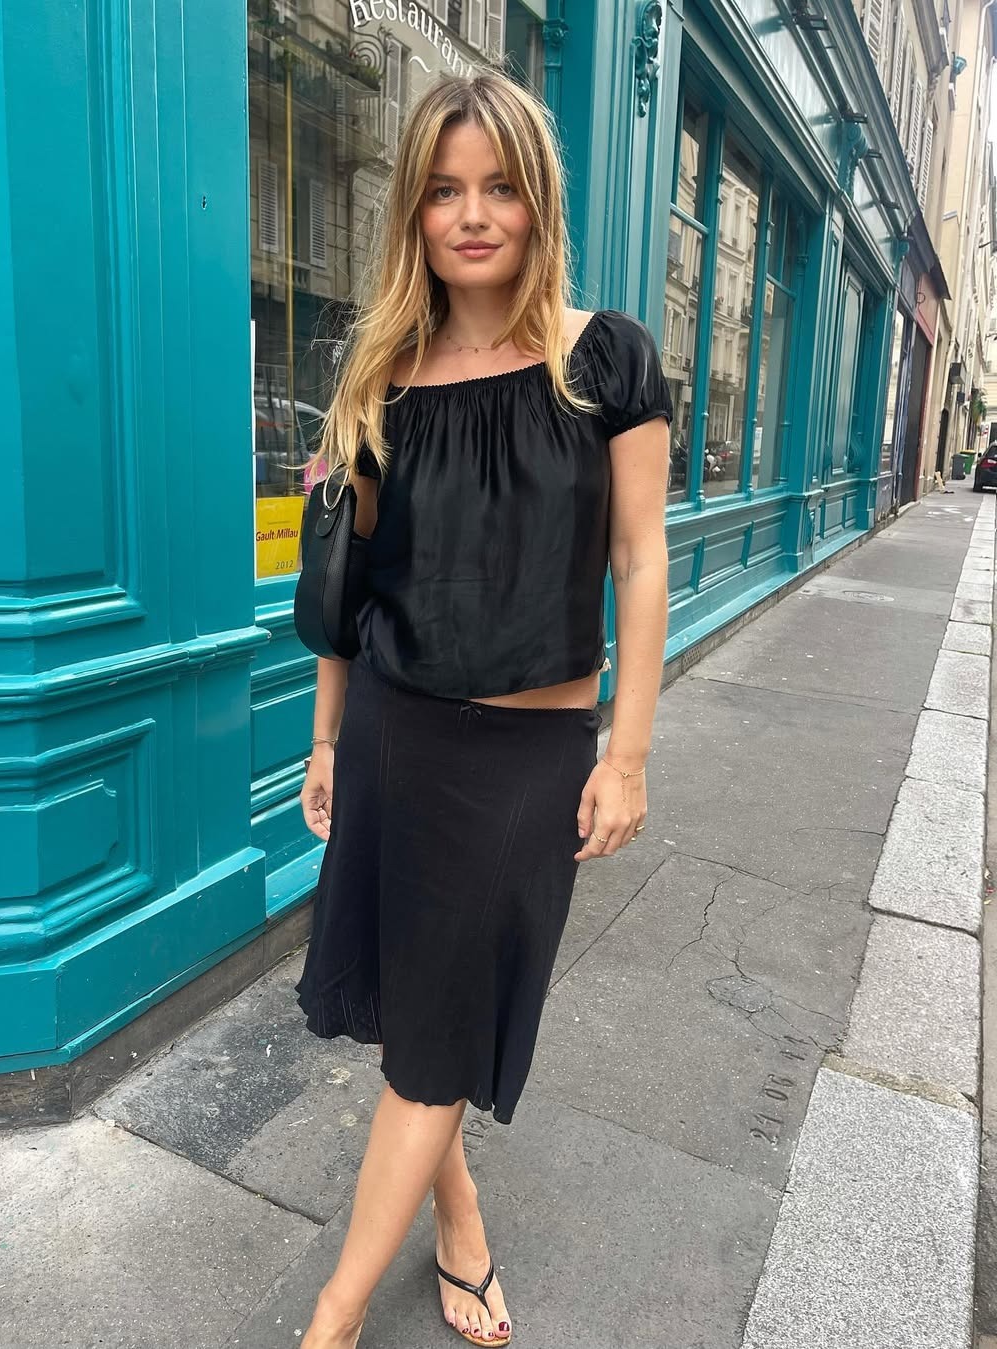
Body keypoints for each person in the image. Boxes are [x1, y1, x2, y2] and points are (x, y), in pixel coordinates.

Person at [295, 69, 672, 1348]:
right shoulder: (382, 377)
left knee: (434, 1023)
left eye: (498, 186)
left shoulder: (604, 356)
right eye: (446, 189)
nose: (472, 214)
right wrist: (327, 738)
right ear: (414, 207)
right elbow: (347, 589)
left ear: (536, 197)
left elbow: (641, 557)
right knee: (421, 1014)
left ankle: (332, 1318)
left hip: (525, 755)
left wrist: (626, 752)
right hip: (398, 732)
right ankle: (456, 1228)